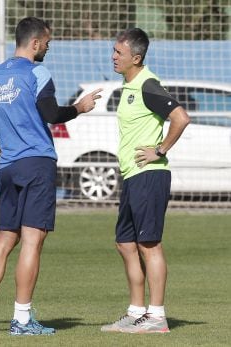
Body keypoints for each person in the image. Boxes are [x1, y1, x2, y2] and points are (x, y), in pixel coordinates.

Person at [0, 17, 102, 336]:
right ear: (35, 43)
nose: (48, 48)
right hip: (37, 163)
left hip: (8, 167)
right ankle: (22, 320)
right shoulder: (38, 72)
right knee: (32, 241)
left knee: (5, 239)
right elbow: (51, 115)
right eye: (47, 43)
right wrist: (79, 108)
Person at [101, 28, 190, 334]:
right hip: (132, 176)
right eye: (113, 50)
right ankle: (137, 311)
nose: (113, 56)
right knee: (125, 243)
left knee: (148, 244)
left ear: (135, 58)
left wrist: (161, 149)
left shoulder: (148, 85)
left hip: (150, 175)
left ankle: (157, 316)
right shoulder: (129, 85)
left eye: (118, 53)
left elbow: (181, 117)